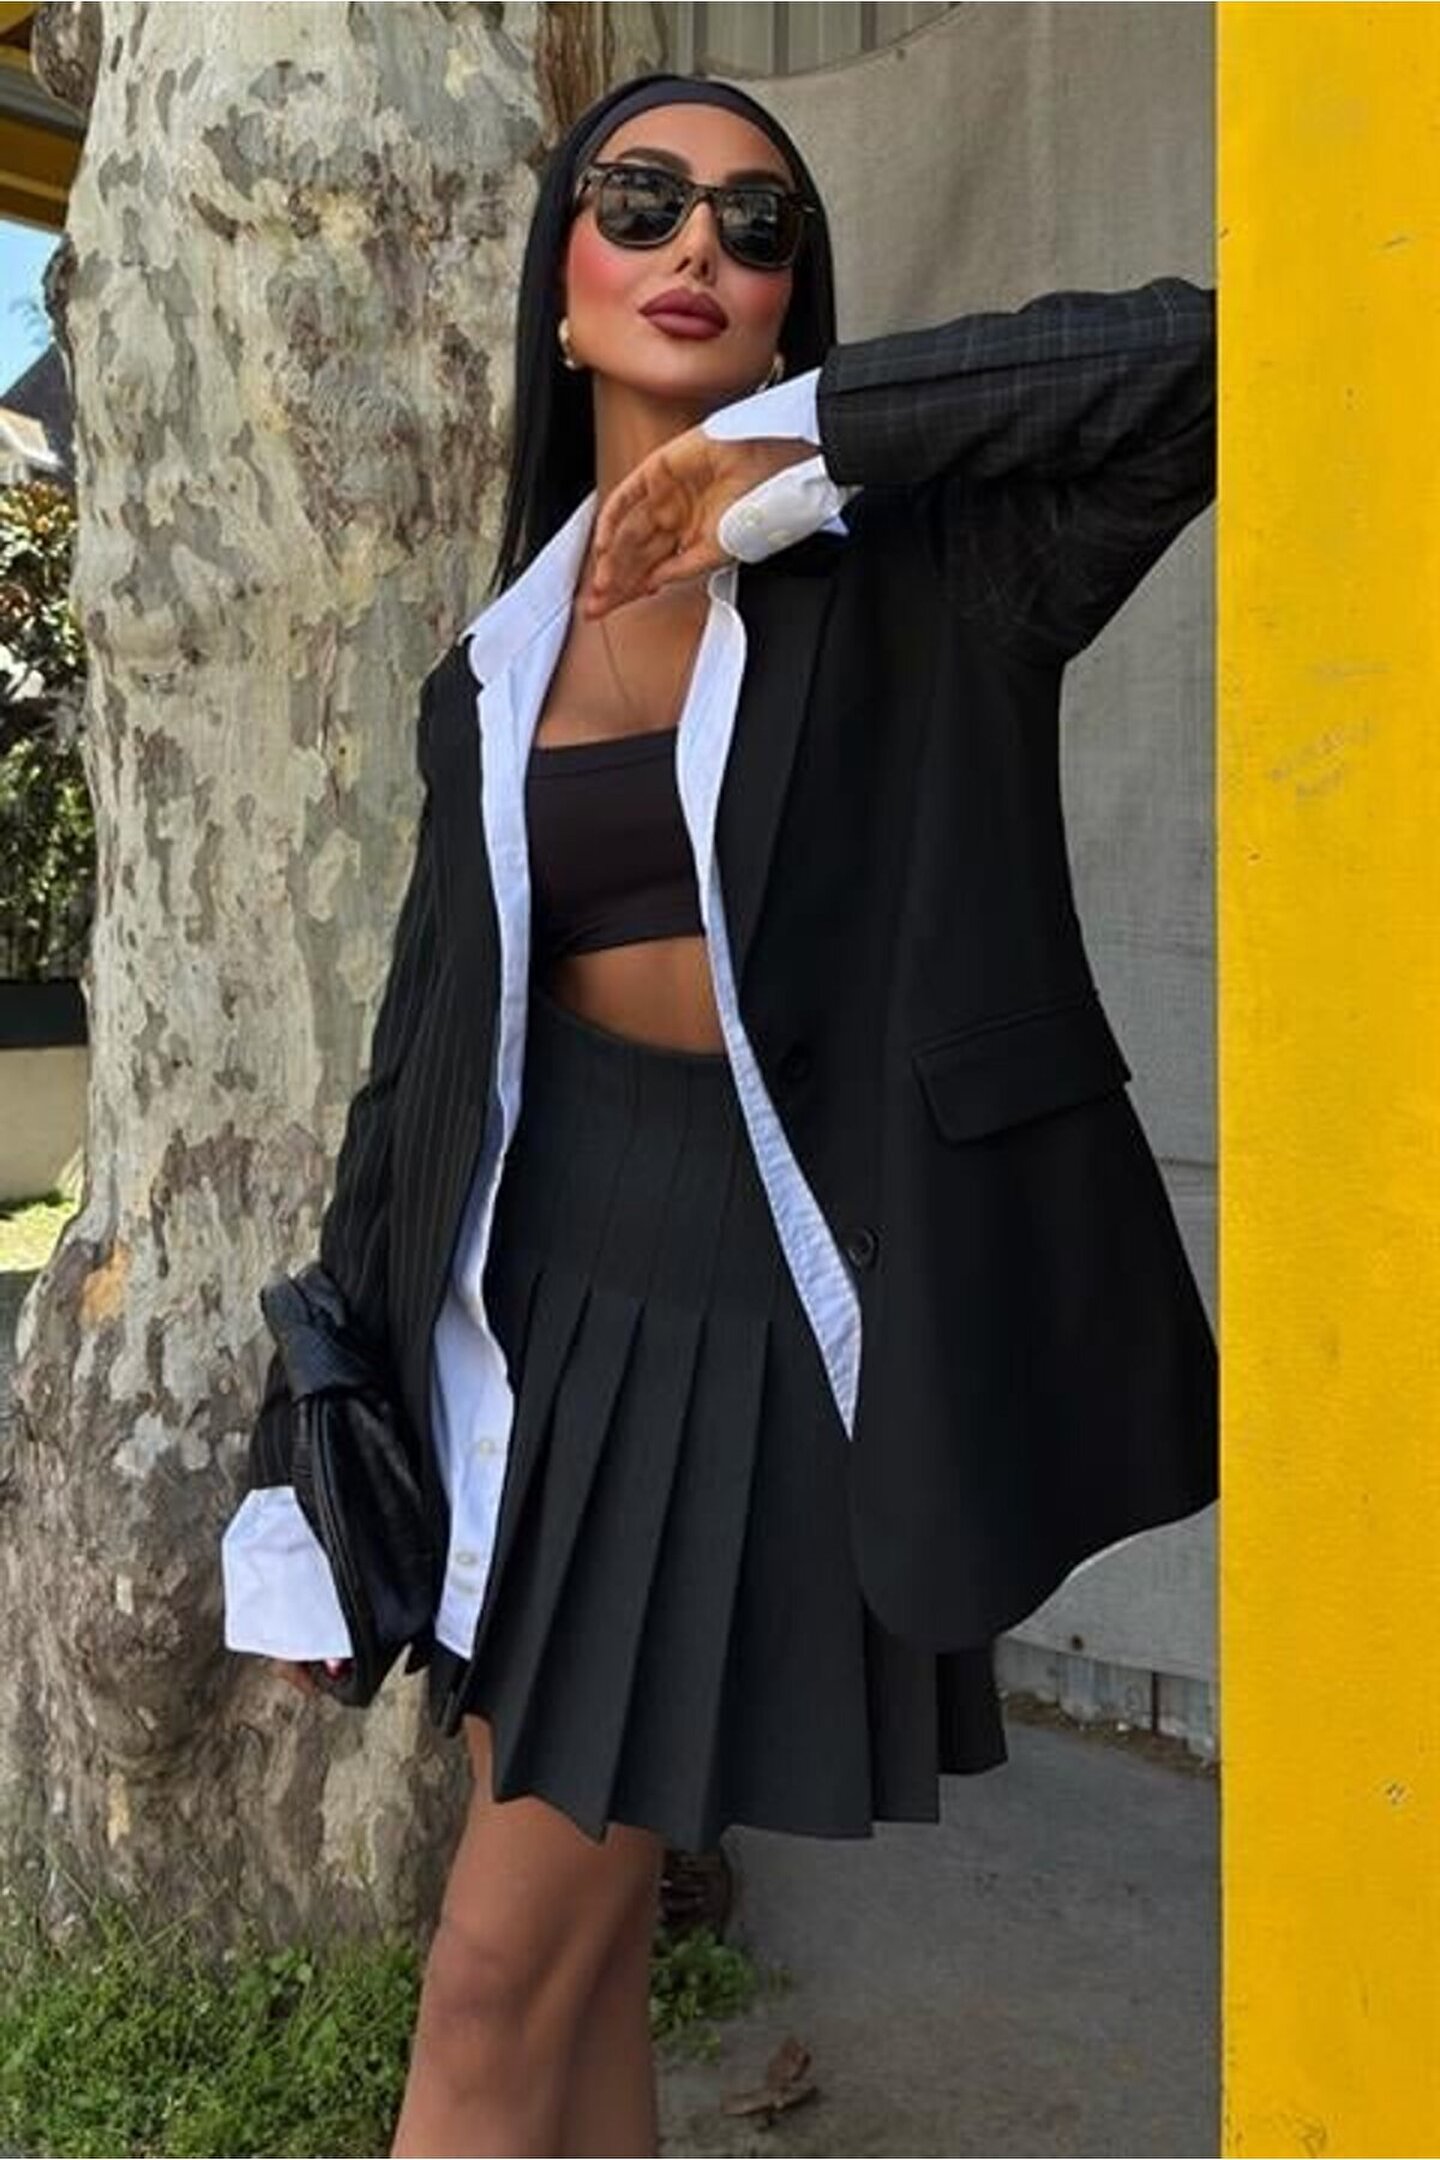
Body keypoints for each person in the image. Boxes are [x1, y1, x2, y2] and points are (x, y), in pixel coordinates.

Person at [219, 66, 1218, 2158]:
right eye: (643, 201)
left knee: (489, 1985)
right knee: (572, 1972)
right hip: (538, 1316)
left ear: (787, 308)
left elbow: (1208, 365)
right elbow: (420, 1060)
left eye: (755, 228)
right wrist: (313, 1456)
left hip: (759, 1318)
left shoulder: (928, 581)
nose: (697, 246)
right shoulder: (489, 670)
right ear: (560, 285)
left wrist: (813, 439)